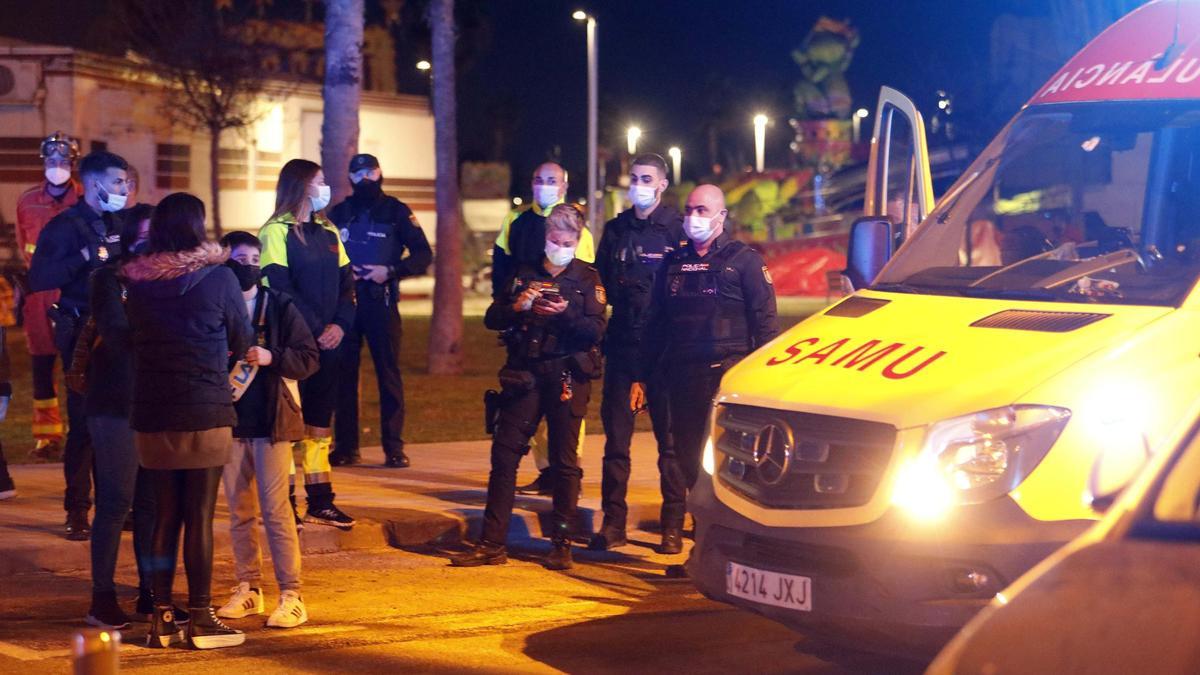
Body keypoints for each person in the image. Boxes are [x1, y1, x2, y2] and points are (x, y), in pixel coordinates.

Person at [122, 193, 253, 649]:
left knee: (162, 516)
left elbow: (127, 340)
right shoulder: (219, 280)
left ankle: (160, 615)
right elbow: (243, 338)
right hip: (204, 409)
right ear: (198, 227)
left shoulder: (137, 283)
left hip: (153, 412)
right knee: (198, 515)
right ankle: (200, 616)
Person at [452, 205, 606, 571]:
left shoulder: (588, 279)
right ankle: (491, 543)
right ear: (546, 236)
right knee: (504, 457)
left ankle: (562, 543)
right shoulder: (524, 273)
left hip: (567, 375)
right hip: (525, 375)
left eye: (568, 241)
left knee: (565, 463)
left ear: (578, 240)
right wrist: (518, 306)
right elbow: (493, 317)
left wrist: (564, 313)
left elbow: (595, 331)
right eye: (555, 238)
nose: (560, 246)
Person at [633, 184, 779, 554]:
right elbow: (655, 325)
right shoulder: (672, 264)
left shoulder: (745, 261)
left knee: (725, 466)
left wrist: (762, 385)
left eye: (702, 209)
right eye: (689, 209)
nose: (693, 217)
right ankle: (700, 542)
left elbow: (765, 328)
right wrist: (641, 376)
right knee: (685, 462)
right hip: (681, 378)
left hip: (725, 379)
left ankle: (733, 545)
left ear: (721, 215)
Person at [216, 231, 318, 629]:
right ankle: (248, 588)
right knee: (239, 512)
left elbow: (309, 358)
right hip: (231, 423)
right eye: (240, 258)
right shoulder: (218, 306)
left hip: (272, 424)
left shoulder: (278, 305)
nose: (249, 265)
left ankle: (292, 594)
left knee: (276, 512)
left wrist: (272, 355)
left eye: (255, 257)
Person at [29, 149, 130, 541]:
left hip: (120, 331)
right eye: (117, 182)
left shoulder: (121, 222)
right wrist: (85, 256)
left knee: (120, 421)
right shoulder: (65, 226)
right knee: (85, 423)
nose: (124, 189)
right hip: (80, 332)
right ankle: (77, 509)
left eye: (126, 182)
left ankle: (117, 507)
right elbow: (40, 277)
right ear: (93, 184)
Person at [589, 153, 684, 551]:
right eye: (634, 178)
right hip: (624, 348)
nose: (638, 185)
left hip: (664, 352)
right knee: (616, 444)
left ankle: (673, 526)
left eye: (647, 178)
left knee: (671, 445)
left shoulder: (678, 230)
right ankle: (613, 523)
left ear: (662, 184)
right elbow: (600, 289)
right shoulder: (615, 231)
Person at [259, 159, 357, 530]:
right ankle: (285, 503)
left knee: (319, 427)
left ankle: (321, 501)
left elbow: (349, 285)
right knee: (289, 426)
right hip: (294, 346)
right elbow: (279, 288)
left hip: (330, 343)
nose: (325, 187)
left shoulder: (328, 231)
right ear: (300, 186)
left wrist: (340, 326)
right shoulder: (275, 232)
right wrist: (316, 330)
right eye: (319, 181)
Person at [492, 162, 596, 495]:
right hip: (526, 330)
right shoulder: (516, 222)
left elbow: (585, 279)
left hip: (564, 339)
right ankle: (546, 472)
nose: (544, 186)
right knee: (527, 412)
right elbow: (502, 268)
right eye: (539, 180)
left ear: (564, 185)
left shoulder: (580, 231)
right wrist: (511, 308)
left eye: (552, 181)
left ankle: (568, 472)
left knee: (565, 419)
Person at [83, 203, 161, 629]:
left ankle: (151, 593)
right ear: (131, 238)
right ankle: (102, 597)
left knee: (151, 504)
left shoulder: (169, 277)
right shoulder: (109, 279)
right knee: (115, 502)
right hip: (115, 402)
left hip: (156, 402)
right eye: (146, 235)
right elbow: (116, 335)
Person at [328, 154, 432, 468]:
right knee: (344, 378)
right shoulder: (339, 212)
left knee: (388, 375)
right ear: (350, 177)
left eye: (371, 171)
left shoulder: (396, 211)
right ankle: (346, 447)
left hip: (380, 301)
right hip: (346, 304)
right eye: (358, 173)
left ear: (380, 173)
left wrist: (389, 271)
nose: (366, 178)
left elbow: (422, 254)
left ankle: (394, 447)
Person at [17, 132, 81, 463]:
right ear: (44, 163)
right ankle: (47, 437)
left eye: (64, 162)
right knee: (42, 368)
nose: (57, 166)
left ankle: (79, 434)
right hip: (38, 296)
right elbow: (23, 245)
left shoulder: (85, 198)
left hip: (74, 293)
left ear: (73, 164)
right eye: (52, 161)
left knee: (77, 366)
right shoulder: (27, 201)